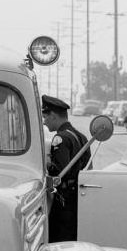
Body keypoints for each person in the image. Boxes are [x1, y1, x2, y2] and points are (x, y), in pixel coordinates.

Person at [42, 95, 89, 242]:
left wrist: (46, 163)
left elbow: (60, 171)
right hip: (77, 197)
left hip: (63, 199)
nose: (44, 122)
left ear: (54, 116)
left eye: (46, 117)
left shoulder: (60, 138)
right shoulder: (81, 136)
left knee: (58, 239)